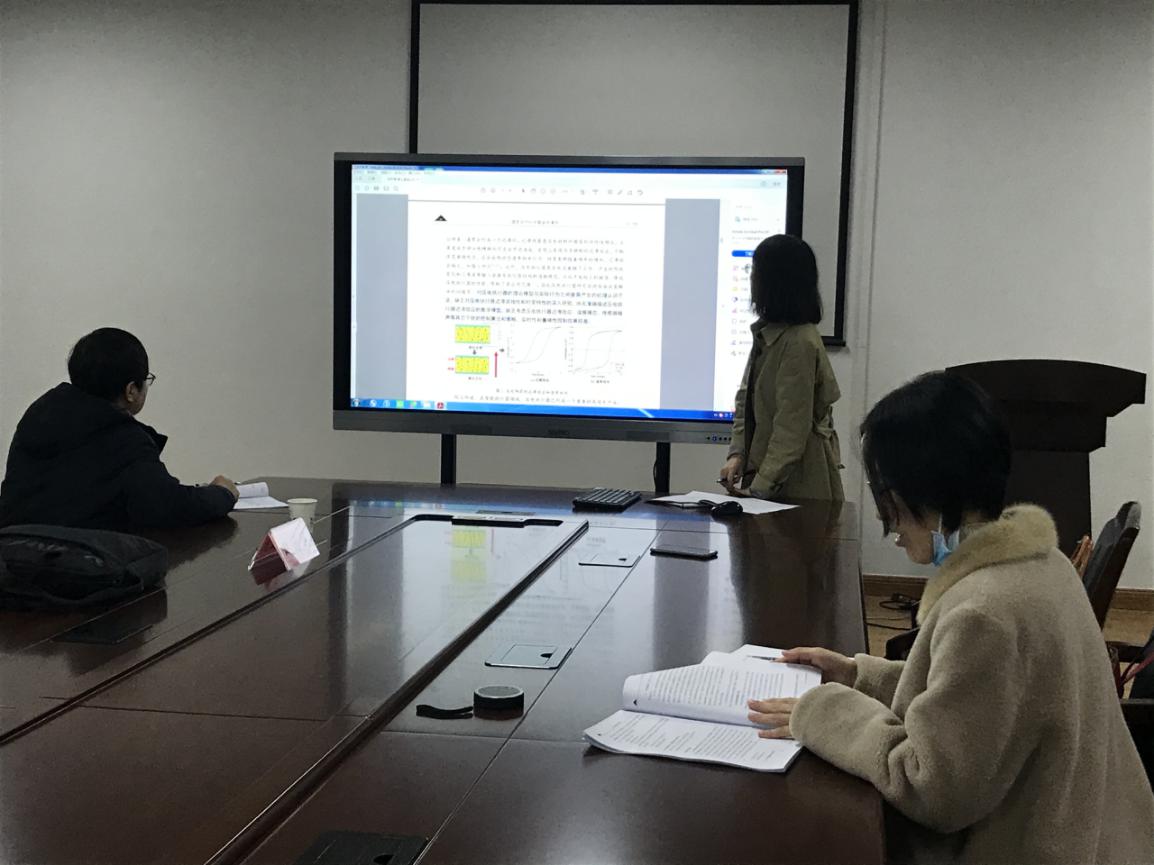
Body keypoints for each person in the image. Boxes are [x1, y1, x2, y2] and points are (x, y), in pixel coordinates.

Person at [746, 371, 1154, 865]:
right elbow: (984, 698)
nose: (888, 525)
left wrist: (824, 712)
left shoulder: (984, 613)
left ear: (927, 492)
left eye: (888, 500)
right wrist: (858, 676)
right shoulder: (1044, 563)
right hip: (1102, 835)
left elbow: (932, 789)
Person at [0, 328, 239, 531]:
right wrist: (222, 493)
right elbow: (169, 507)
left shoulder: (39, 414)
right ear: (131, 390)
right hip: (77, 564)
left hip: (13, 554)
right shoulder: (123, 438)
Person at [718, 234, 842, 501]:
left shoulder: (799, 342)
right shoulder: (768, 333)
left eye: (755, 271)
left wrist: (758, 489)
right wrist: (737, 454)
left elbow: (791, 429)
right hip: (767, 480)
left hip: (797, 486)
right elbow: (745, 401)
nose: (751, 279)